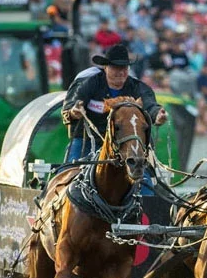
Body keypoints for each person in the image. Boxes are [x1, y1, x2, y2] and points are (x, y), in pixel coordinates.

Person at [61, 44, 168, 187]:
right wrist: (74, 111)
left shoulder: (138, 88)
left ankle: (145, 204)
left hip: (124, 143)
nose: (120, 72)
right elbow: (72, 103)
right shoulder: (89, 83)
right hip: (88, 140)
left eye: (124, 68)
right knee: (68, 176)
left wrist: (157, 115)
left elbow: (150, 105)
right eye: (115, 68)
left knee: (145, 184)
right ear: (105, 67)